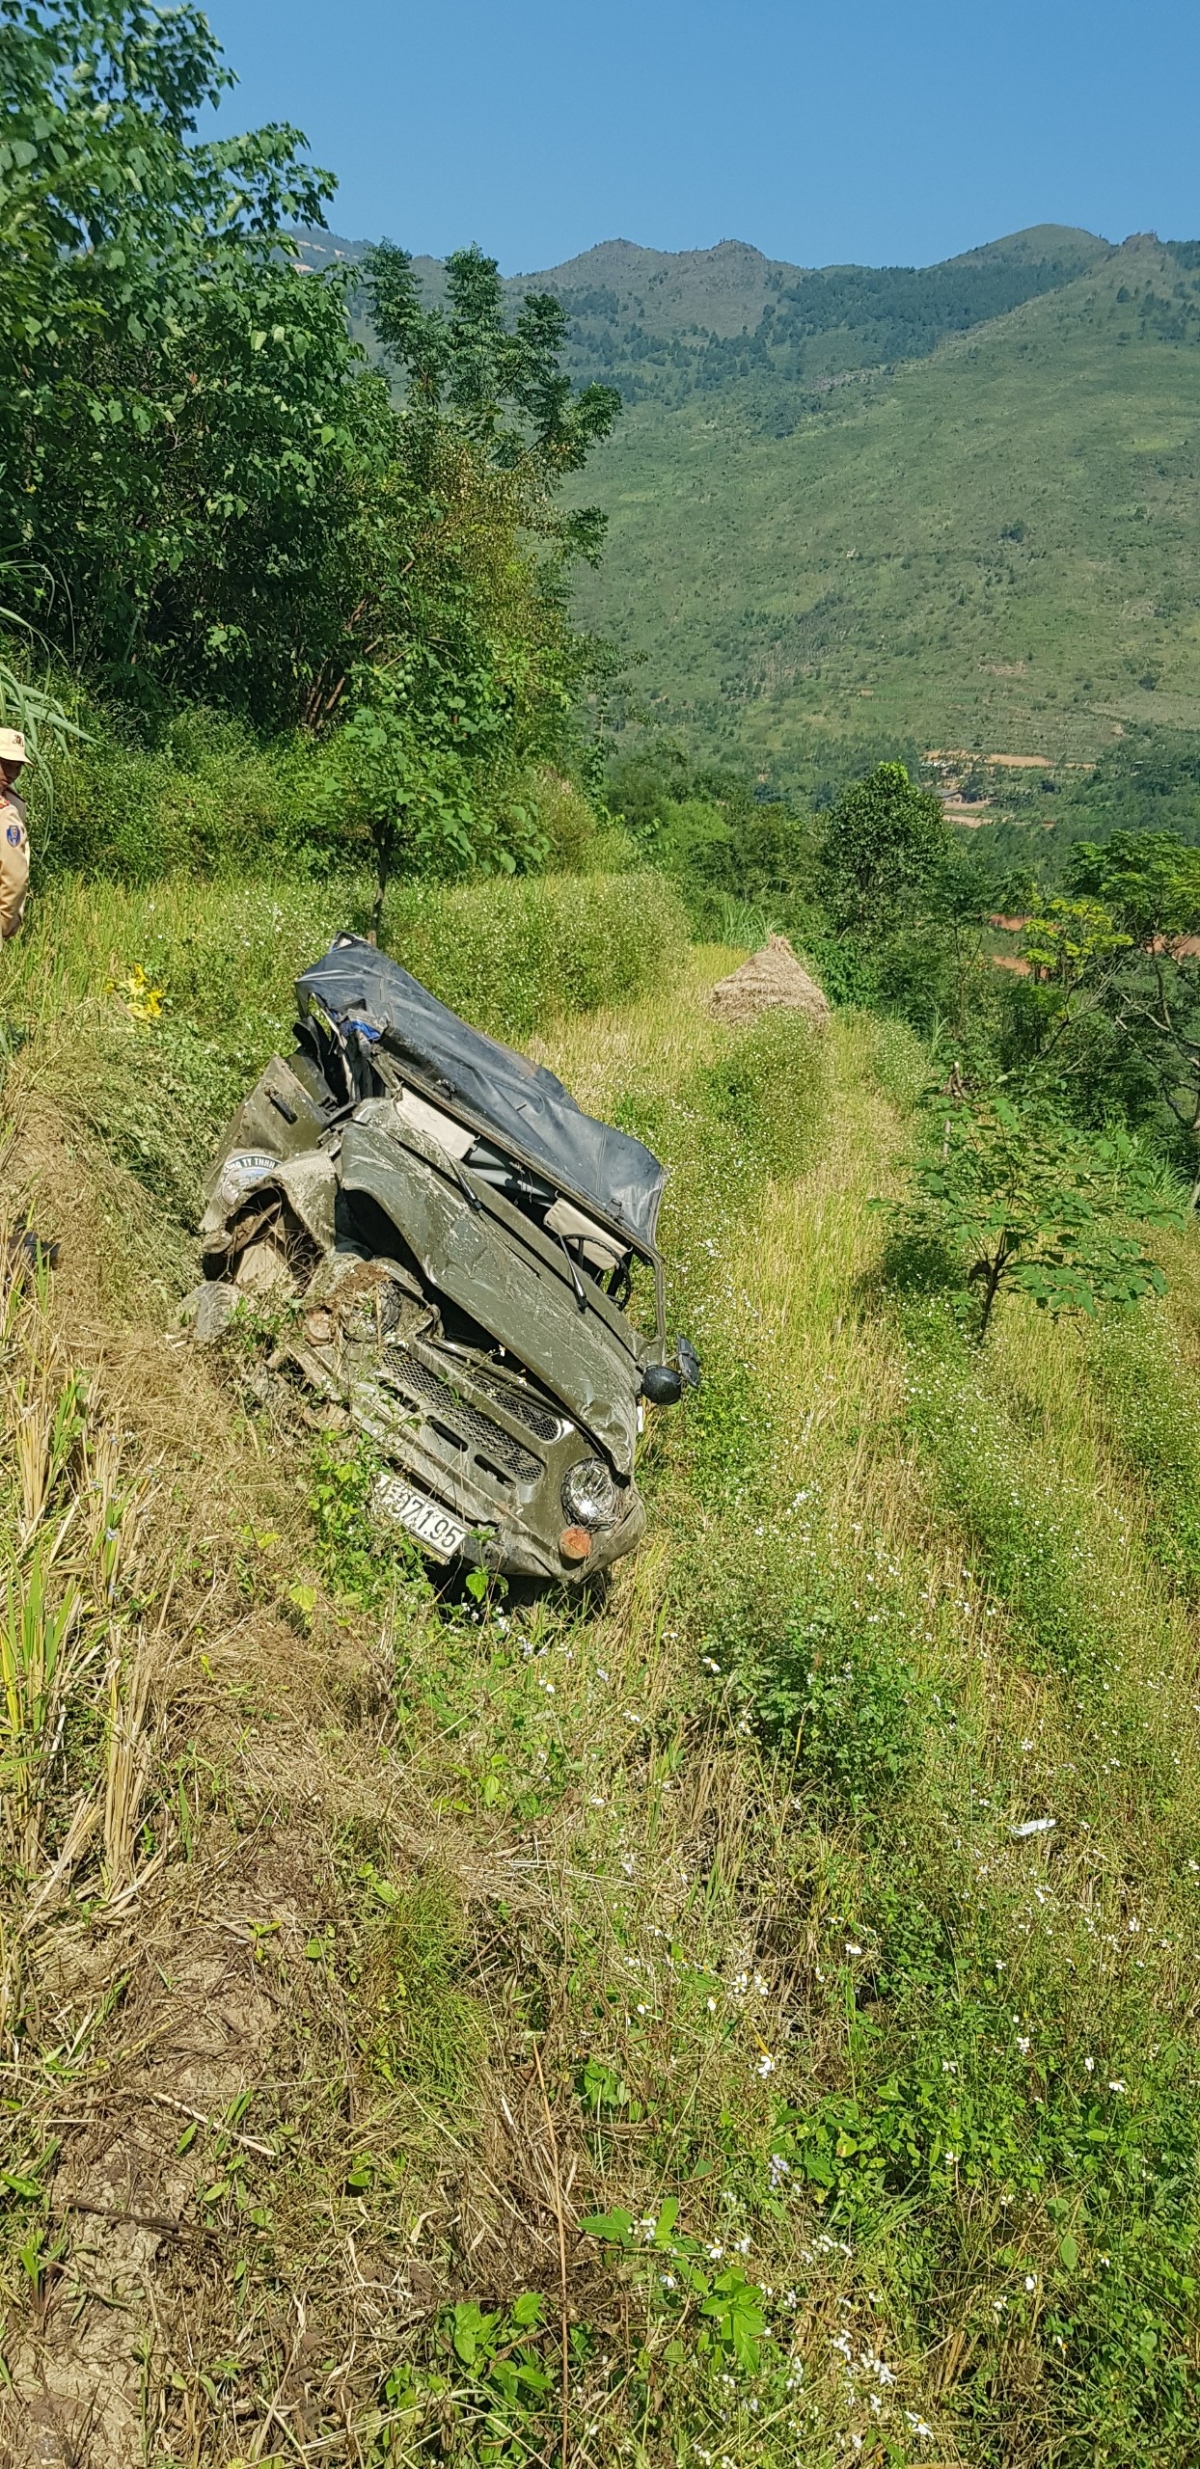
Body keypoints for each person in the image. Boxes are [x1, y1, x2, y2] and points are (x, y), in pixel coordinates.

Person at [0, 727, 29, 940]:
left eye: (17, 767)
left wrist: (3, 924)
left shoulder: (8, 810)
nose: (11, 774)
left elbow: (15, 878)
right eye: (5, 765)